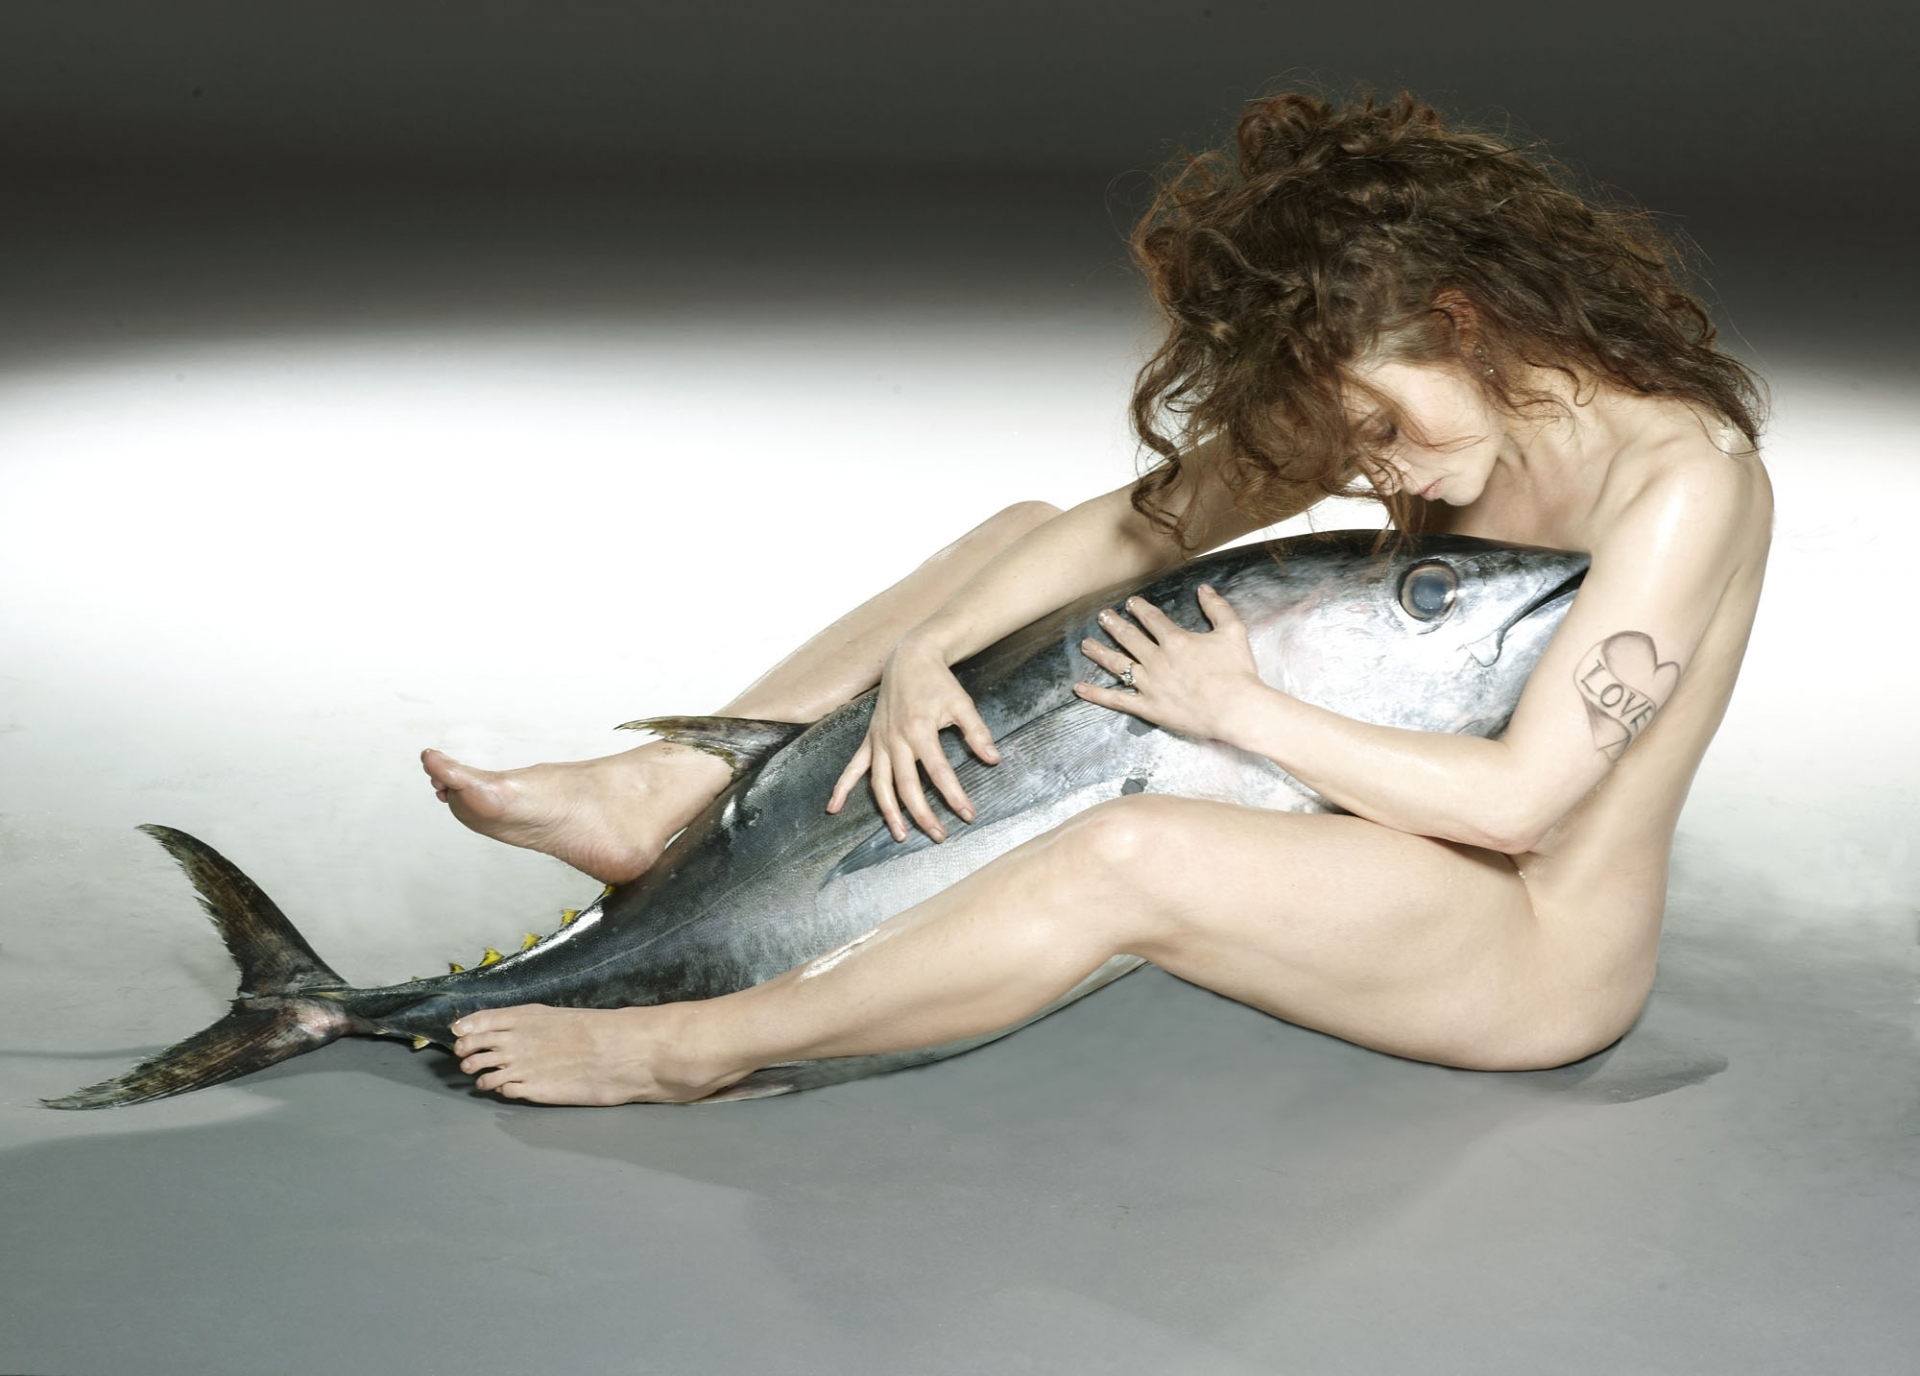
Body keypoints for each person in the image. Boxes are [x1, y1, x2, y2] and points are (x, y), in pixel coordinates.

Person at [422, 90, 1771, 1104]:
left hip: (1525, 947)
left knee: (1126, 851)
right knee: (1017, 542)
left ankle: (695, 1049)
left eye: (1375, 423)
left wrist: (1233, 710)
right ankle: (670, 789)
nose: (1370, 466)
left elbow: (1522, 808)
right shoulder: (1429, 407)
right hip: (1377, 859)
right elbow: (1144, 522)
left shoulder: (1680, 481)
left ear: (1460, 323)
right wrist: (929, 651)